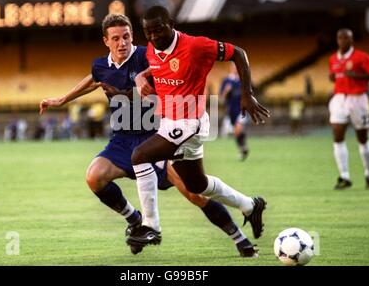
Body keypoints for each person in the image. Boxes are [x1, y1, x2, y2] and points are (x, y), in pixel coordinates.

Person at [40, 13, 259, 257]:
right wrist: (62, 99)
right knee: (94, 177)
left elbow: (174, 75)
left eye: (126, 36)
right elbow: (94, 79)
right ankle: (134, 219)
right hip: (122, 140)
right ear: (106, 41)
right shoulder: (101, 66)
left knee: (194, 192)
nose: (122, 43)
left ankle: (240, 239)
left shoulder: (149, 54)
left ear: (133, 35)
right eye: (116, 39)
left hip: (157, 136)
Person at [129, 6, 270, 249]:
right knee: (197, 185)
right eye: (148, 32)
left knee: (140, 156)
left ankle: (151, 227)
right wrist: (140, 78)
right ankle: (250, 205)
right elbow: (157, 66)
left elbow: (239, 53)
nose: (153, 37)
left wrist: (247, 94)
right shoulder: (154, 48)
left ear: (171, 23)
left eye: (158, 30)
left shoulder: (195, 46)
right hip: (170, 121)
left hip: (190, 122)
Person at [328, 28, 369, 190]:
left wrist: (357, 75)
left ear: (351, 40)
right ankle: (344, 176)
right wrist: (332, 77)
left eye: (346, 38)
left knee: (362, 138)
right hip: (339, 98)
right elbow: (334, 75)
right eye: (340, 38)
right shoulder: (333, 59)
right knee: (337, 136)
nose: (342, 41)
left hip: (358, 99)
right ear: (337, 40)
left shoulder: (362, 57)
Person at [220, 63, 250, 160]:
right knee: (236, 132)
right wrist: (226, 91)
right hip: (231, 111)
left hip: (242, 110)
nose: (236, 69)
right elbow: (221, 99)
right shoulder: (226, 80)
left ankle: (243, 148)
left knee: (238, 127)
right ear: (230, 68)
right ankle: (243, 148)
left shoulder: (244, 80)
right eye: (234, 67)